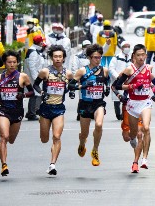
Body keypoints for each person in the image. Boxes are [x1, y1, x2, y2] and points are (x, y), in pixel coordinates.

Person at [0, 50, 34, 176]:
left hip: (17, 112)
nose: (12, 64)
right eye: (9, 62)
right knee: (3, 136)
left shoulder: (23, 77)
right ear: (5, 63)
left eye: (14, 62)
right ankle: (4, 165)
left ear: (17, 63)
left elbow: (32, 93)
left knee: (11, 139)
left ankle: (4, 159)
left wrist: (23, 95)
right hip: (4, 110)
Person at [111, 44, 155, 173]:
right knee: (133, 134)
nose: (141, 57)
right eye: (138, 55)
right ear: (134, 56)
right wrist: (132, 86)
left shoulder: (148, 68)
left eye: (143, 55)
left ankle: (144, 159)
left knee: (146, 129)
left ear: (146, 55)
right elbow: (116, 86)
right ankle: (132, 141)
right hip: (132, 104)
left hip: (145, 103)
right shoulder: (129, 70)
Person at [33, 45, 74, 175]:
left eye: (60, 57)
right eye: (55, 56)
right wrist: (41, 92)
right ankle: (51, 161)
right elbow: (35, 84)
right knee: (44, 139)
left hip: (59, 109)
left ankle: (52, 164)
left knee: (56, 136)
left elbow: (72, 85)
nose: (57, 59)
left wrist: (71, 91)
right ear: (51, 58)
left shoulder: (67, 73)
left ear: (63, 58)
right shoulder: (45, 72)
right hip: (45, 109)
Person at [71, 43, 110, 167]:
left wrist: (107, 88)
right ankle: (82, 143)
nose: (98, 60)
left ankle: (95, 150)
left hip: (98, 103)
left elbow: (107, 80)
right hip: (85, 103)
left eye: (99, 57)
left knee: (99, 124)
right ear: (89, 57)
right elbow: (70, 85)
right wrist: (82, 86)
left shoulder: (104, 70)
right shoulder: (83, 70)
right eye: (95, 57)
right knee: (84, 132)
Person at [24, 34, 46, 121]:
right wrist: (36, 78)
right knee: (34, 94)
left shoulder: (34, 50)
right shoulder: (33, 52)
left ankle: (32, 112)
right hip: (33, 77)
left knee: (35, 94)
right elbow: (32, 66)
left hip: (34, 75)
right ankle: (31, 113)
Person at [108, 41, 131, 120]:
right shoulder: (116, 57)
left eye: (128, 46)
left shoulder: (132, 57)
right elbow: (111, 68)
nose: (127, 48)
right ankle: (118, 115)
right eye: (125, 46)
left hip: (128, 81)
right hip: (118, 80)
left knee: (127, 97)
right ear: (121, 48)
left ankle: (126, 114)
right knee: (117, 99)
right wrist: (118, 77)